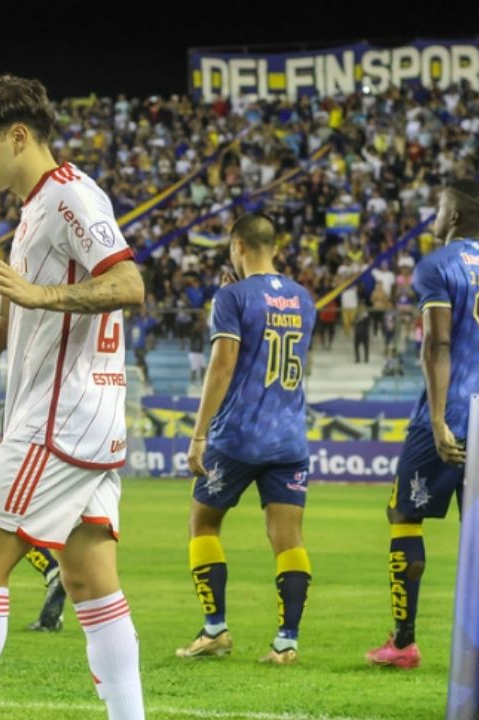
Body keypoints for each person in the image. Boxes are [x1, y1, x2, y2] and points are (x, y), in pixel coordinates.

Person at [0, 74, 145, 720]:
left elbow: (129, 283)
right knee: (90, 582)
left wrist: (34, 296)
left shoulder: (69, 197)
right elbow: (35, 309)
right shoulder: (39, 206)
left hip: (56, 424)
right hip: (87, 424)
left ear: (18, 136)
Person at [365, 180, 479, 669]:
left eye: (438, 207)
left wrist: (437, 421)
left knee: (404, 516)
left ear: (453, 216)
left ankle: (403, 642)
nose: (432, 215)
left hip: (450, 415)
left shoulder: (438, 266)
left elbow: (437, 344)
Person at [174, 214, 317, 665]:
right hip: (289, 437)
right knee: (288, 539)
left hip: (237, 436)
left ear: (237, 245)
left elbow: (223, 364)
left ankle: (215, 629)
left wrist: (199, 435)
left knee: (203, 523)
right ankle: (286, 641)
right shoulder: (304, 298)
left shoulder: (232, 296)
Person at [0, 311, 68, 633]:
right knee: (83, 539)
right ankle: (55, 609)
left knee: (3, 521)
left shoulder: (29, 304)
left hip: (38, 428)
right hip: (84, 433)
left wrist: (0, 305)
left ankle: (52, 572)